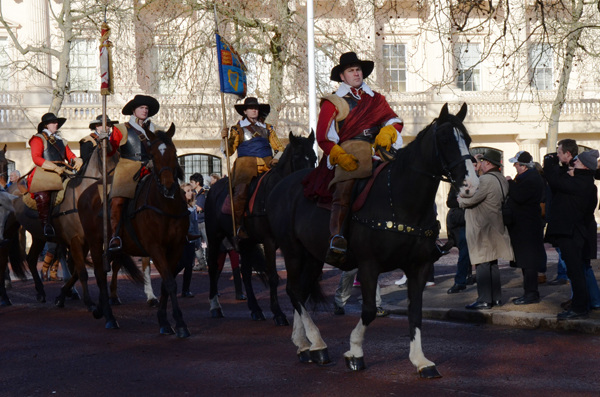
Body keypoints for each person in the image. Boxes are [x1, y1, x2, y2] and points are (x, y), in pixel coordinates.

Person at [302, 51, 403, 265]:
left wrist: (388, 132)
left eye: (358, 70)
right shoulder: (333, 102)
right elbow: (323, 137)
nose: (356, 73)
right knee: (345, 188)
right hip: (348, 150)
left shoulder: (377, 99)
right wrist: (339, 155)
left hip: (377, 149)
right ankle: (336, 238)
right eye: (351, 70)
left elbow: (395, 120)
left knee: (403, 178)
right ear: (342, 76)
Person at [544, 149, 598, 319]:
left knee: (576, 272)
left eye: (578, 162)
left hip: (572, 234)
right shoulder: (583, 181)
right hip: (572, 232)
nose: (574, 163)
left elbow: (554, 181)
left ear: (585, 167)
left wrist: (549, 164)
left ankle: (580, 307)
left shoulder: (582, 183)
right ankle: (581, 304)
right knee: (577, 271)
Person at [221, 97, 284, 239]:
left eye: (256, 107)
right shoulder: (237, 129)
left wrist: (277, 158)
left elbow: (279, 148)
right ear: (245, 111)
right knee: (241, 192)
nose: (254, 110)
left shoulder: (268, 128)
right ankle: (237, 227)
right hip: (245, 166)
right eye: (251, 108)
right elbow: (229, 150)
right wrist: (224, 139)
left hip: (268, 164)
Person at [458, 149, 514, 310]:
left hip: (482, 226)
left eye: (482, 161)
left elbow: (469, 198)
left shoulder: (486, 180)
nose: (480, 164)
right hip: (494, 224)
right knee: (492, 263)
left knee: (482, 263)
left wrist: (460, 199)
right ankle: (495, 298)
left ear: (488, 163)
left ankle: (484, 299)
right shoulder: (501, 178)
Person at [108, 95, 160, 251]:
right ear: (133, 110)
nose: (144, 111)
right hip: (127, 167)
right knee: (118, 201)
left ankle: (182, 229)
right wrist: (106, 141)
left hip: (151, 167)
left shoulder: (155, 129)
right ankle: (115, 235)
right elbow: (110, 151)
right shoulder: (121, 128)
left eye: (146, 108)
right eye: (141, 108)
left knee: (172, 189)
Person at [27, 113, 83, 237]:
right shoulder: (38, 138)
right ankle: (46, 224)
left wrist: (77, 160)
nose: (56, 124)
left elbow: (70, 155)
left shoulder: (61, 141)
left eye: (56, 122)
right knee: (43, 194)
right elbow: (36, 158)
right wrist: (53, 167)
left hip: (63, 170)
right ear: (46, 125)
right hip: (45, 171)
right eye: (53, 122)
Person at [505, 151, 547, 305]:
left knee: (529, 263)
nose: (515, 167)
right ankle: (528, 292)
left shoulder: (531, 178)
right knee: (526, 262)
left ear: (523, 166)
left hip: (527, 227)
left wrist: (510, 183)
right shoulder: (528, 177)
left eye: (516, 164)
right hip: (525, 226)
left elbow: (520, 197)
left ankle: (531, 294)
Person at [546, 138, 578, 286]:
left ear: (568, 153)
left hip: (570, 223)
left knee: (579, 268)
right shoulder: (566, 170)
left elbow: (556, 183)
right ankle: (576, 298)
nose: (557, 155)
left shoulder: (575, 173)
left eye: (559, 152)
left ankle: (581, 301)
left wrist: (549, 167)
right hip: (563, 221)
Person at [446, 156, 478, 294]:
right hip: (462, 221)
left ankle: (466, 278)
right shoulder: (457, 182)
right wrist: (462, 200)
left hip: (477, 220)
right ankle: (461, 280)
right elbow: (450, 202)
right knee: (464, 251)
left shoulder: (481, 180)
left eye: (475, 165)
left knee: (474, 251)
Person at [177, 183, 200, 298]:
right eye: (187, 191)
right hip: (182, 239)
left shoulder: (193, 207)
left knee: (189, 265)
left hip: (191, 239)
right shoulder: (180, 208)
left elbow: (195, 224)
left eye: (191, 190)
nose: (190, 193)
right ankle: (169, 278)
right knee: (182, 263)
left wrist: (198, 241)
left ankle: (186, 289)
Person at [190, 173, 208, 271]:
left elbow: (199, 208)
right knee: (197, 245)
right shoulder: (193, 194)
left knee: (208, 243)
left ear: (197, 183)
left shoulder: (203, 193)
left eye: (192, 182)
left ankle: (211, 261)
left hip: (203, 222)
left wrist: (190, 206)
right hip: (196, 222)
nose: (191, 184)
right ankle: (202, 263)